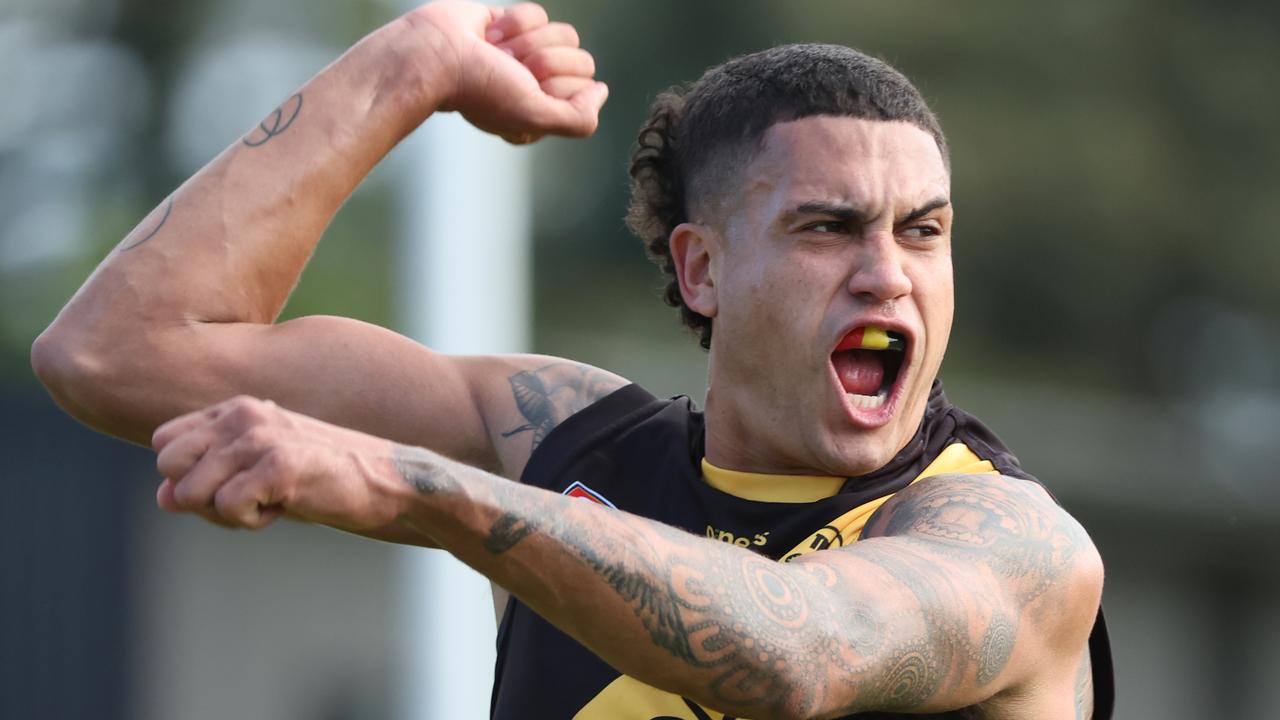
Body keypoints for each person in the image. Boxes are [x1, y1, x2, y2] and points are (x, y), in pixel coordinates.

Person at [31, 1, 1113, 718]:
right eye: (827, 228)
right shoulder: (561, 440)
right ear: (699, 270)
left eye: (922, 231)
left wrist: (414, 487)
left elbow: (801, 648)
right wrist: (408, 65)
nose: (887, 274)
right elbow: (116, 353)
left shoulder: (1007, 541)